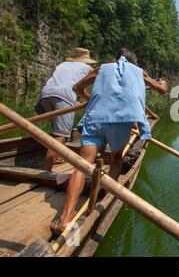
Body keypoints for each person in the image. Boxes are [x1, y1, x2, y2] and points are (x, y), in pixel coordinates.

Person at [52, 48, 168, 232]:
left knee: (82, 165)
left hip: (95, 118)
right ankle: (101, 200)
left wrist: (92, 99)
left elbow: (77, 89)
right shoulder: (140, 73)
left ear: (116, 59)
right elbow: (162, 90)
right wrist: (163, 82)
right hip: (121, 122)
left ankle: (65, 218)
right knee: (116, 158)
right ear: (134, 62)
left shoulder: (101, 69)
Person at [35, 48, 96, 171]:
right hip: (64, 96)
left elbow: (65, 82)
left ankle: (56, 156)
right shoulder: (87, 69)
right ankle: (46, 171)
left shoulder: (62, 64)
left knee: (56, 128)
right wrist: (91, 99)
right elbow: (80, 88)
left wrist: (74, 101)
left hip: (46, 95)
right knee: (61, 135)